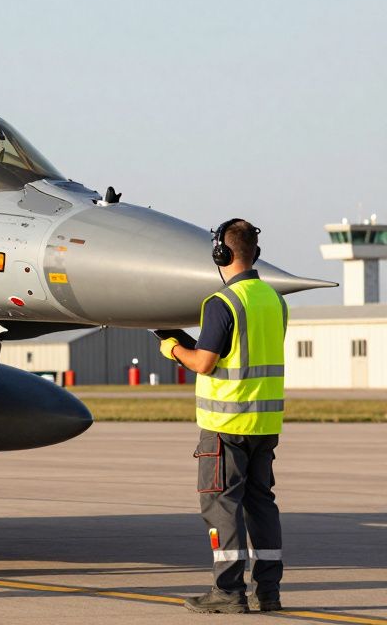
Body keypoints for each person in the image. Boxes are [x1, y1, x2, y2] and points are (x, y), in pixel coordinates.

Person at [161, 219, 287, 614]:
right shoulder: (274, 300)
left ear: (221, 253)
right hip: (264, 424)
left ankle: (228, 591)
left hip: (225, 426)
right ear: (255, 254)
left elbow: (204, 362)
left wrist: (172, 349)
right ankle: (268, 591)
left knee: (220, 506)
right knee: (261, 505)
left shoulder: (222, 303)